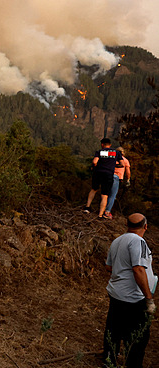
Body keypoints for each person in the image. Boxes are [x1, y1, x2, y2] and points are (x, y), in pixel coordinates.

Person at [103, 213, 156, 368]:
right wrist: (148, 298)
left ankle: (109, 361)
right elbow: (138, 269)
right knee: (138, 336)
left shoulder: (117, 240)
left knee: (113, 330)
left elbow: (109, 266)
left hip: (116, 294)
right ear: (145, 226)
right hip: (133, 298)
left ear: (127, 225)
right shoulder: (138, 242)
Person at [83, 138, 122, 218]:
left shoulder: (100, 152)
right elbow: (122, 164)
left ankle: (87, 208)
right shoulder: (116, 152)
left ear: (102, 144)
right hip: (108, 174)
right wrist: (113, 165)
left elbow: (94, 161)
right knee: (105, 195)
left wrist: (94, 166)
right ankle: (100, 215)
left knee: (94, 189)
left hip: (98, 173)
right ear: (110, 145)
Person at [103, 147, 131, 220]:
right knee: (112, 196)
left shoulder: (111, 158)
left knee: (105, 194)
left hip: (106, 176)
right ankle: (107, 212)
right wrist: (128, 180)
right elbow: (128, 172)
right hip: (116, 178)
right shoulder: (125, 160)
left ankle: (101, 210)